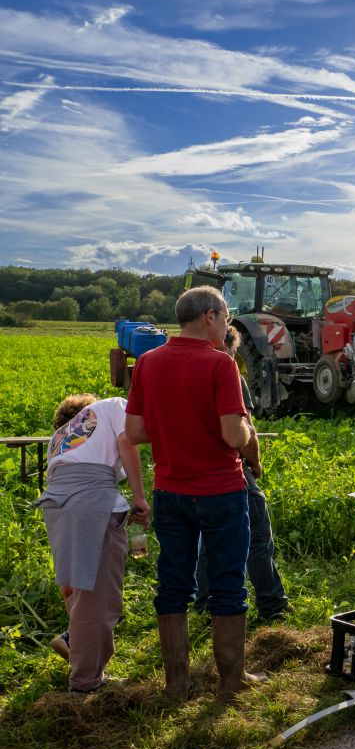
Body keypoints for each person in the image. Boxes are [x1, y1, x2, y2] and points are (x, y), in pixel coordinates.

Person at [125, 286, 264, 701]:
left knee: (172, 584)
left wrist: (173, 429)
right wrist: (248, 433)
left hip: (170, 491)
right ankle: (230, 681)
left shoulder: (148, 362)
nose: (227, 325)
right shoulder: (221, 365)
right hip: (220, 490)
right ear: (209, 317)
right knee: (227, 585)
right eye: (225, 317)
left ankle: (177, 684)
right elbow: (229, 432)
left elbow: (134, 432)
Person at [36, 394, 150, 693]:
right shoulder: (117, 406)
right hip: (93, 504)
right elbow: (128, 443)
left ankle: (88, 663)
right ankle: (85, 681)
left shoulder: (61, 435)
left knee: (78, 588)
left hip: (58, 502)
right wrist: (139, 496)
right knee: (100, 596)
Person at [194, 327, 289, 622]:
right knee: (258, 536)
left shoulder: (191, 373)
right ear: (228, 348)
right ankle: (272, 605)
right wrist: (256, 464)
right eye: (234, 353)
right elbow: (244, 431)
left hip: (196, 470)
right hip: (231, 468)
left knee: (209, 539)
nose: (234, 359)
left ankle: (203, 604)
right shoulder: (230, 374)